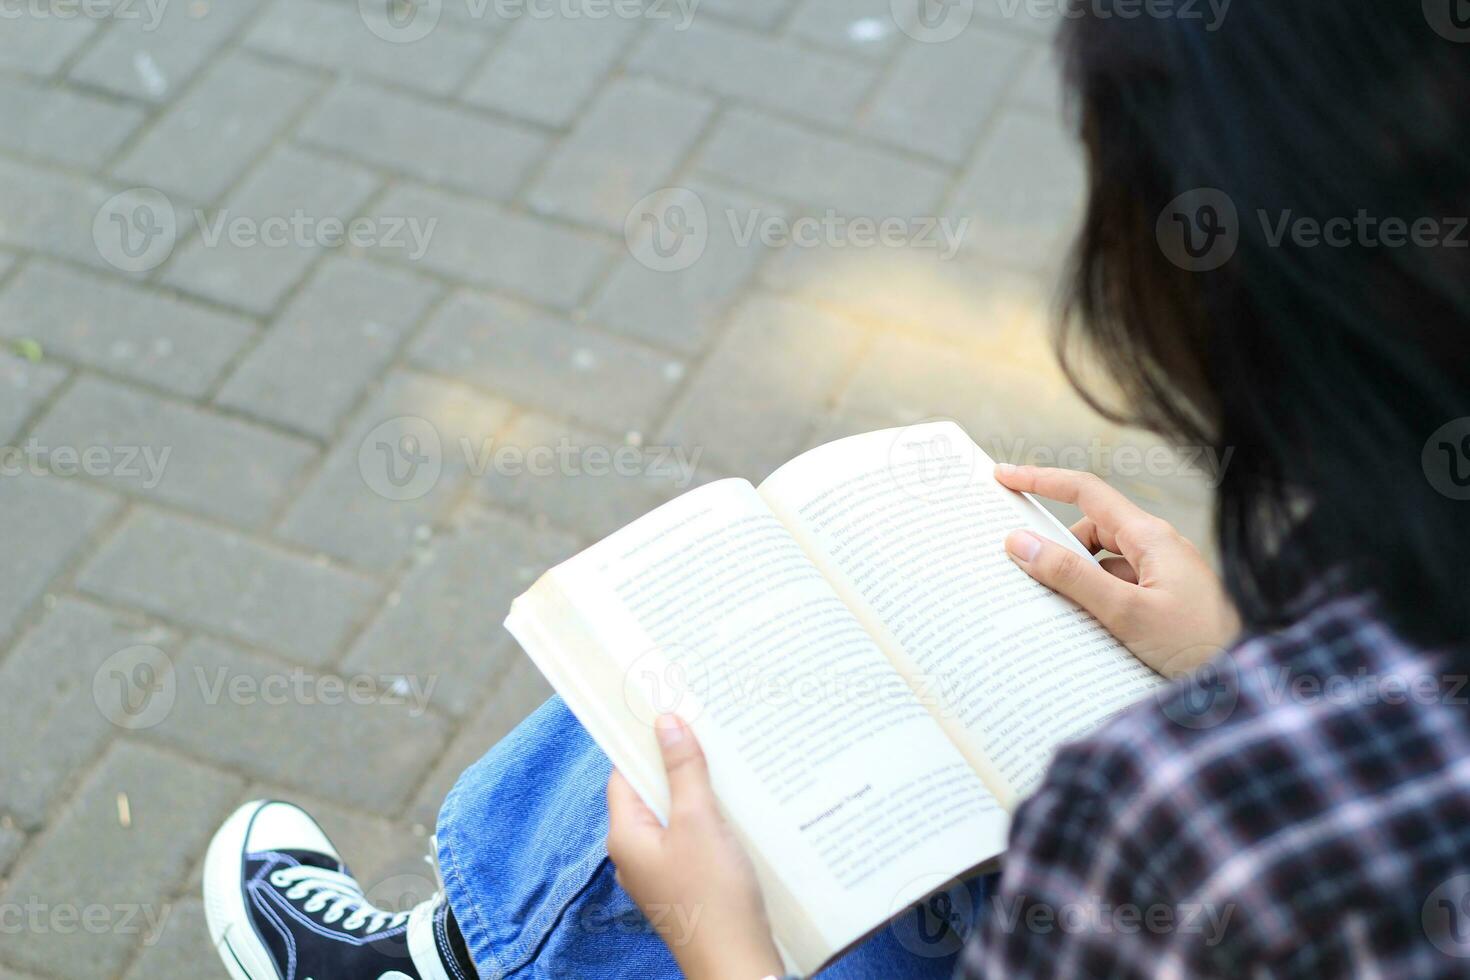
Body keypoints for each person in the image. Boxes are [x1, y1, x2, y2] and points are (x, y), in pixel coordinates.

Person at [200, 0, 1470, 977]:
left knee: (732, 737)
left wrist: (724, 948)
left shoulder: (1177, 824)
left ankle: (470, 953)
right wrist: (1243, 661)